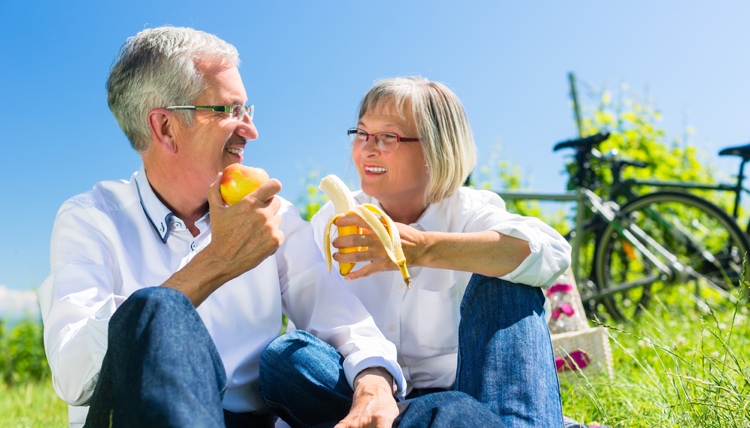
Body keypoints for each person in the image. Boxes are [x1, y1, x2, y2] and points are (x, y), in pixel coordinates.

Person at [37, 26, 407, 428]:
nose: (251, 130)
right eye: (230, 111)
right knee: (155, 310)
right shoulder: (91, 218)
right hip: (145, 417)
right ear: (165, 127)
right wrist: (215, 262)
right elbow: (73, 375)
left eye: (248, 110)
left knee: (446, 411)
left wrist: (373, 387)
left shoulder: (272, 213)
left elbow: (342, 318)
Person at [260, 76, 573, 427]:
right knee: (284, 360)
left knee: (508, 281)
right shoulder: (332, 222)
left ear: (436, 149)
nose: (367, 149)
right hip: (366, 391)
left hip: (471, 391)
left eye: (388, 137)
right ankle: (442, 418)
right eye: (361, 133)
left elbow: (551, 253)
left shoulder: (469, 210)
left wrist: (422, 248)